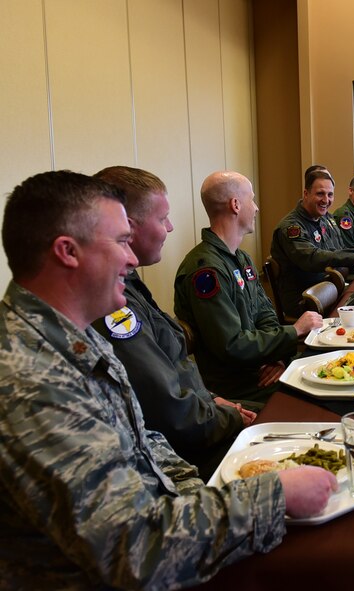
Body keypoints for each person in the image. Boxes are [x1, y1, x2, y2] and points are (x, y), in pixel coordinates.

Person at [0, 170, 337, 588]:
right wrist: (274, 495)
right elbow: (134, 550)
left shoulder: (72, 334)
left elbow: (145, 444)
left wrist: (203, 492)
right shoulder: (30, 379)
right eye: (122, 241)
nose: (130, 258)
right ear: (68, 252)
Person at [92, 166, 254, 481]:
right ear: (130, 226)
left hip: (200, 417)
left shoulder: (130, 284)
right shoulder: (111, 302)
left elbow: (174, 371)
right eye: (161, 218)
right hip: (183, 451)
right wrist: (226, 415)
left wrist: (210, 400)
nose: (170, 226)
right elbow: (169, 413)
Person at [175, 171, 321, 408]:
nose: (256, 208)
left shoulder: (240, 258)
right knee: (320, 396)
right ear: (235, 204)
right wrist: (295, 332)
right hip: (239, 387)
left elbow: (265, 315)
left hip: (262, 368)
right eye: (251, 199)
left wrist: (278, 358)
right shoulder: (205, 270)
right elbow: (232, 345)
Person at [271, 170, 354, 316]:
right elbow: (311, 258)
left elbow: (336, 249)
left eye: (330, 195)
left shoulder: (323, 218)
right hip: (305, 300)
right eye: (320, 194)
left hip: (329, 289)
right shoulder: (292, 227)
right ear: (306, 194)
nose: (326, 200)